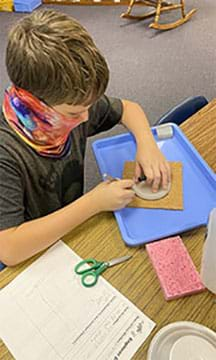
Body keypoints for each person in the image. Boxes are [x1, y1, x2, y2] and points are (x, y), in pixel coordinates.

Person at [0, 9, 171, 266]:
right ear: (33, 104)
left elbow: (129, 108)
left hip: (70, 233)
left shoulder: (69, 103)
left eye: (88, 107)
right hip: (33, 257)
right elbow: (10, 250)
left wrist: (147, 145)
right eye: (75, 112)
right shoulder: (6, 153)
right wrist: (93, 203)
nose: (85, 118)